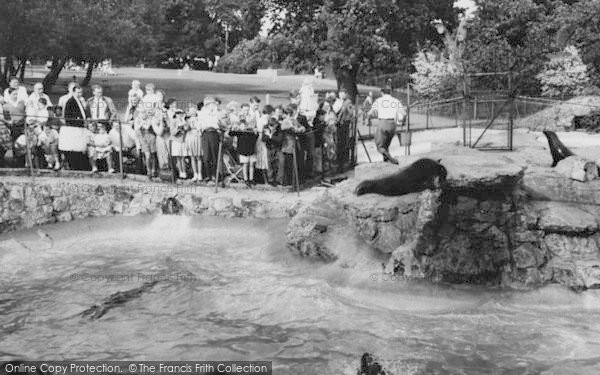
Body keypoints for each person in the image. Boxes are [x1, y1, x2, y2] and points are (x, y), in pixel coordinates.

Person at [368, 86, 406, 164]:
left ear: (382, 92)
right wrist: (403, 122)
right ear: (390, 92)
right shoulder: (396, 101)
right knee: (386, 146)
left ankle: (391, 159)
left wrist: (368, 118)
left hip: (383, 123)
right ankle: (386, 161)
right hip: (392, 124)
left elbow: (370, 113)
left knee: (379, 146)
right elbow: (404, 113)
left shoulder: (379, 100)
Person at [60, 84, 89, 170]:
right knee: (74, 148)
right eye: (78, 92)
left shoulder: (79, 100)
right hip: (74, 128)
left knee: (79, 148)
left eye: (81, 92)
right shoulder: (71, 101)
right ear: (73, 92)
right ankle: (74, 166)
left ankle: (79, 165)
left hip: (79, 127)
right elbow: (68, 117)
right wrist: (80, 121)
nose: (80, 94)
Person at [277, 105, 305, 186]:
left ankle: (295, 181)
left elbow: (302, 128)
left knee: (295, 164)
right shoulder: (285, 122)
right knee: (288, 164)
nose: (289, 116)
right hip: (288, 146)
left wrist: (300, 129)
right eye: (288, 114)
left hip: (295, 145)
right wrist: (296, 129)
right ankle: (287, 182)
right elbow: (289, 129)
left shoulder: (294, 120)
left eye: (290, 114)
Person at [198, 96, 221, 182]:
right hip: (205, 134)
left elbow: (217, 125)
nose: (213, 106)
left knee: (215, 155)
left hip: (214, 134)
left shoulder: (217, 113)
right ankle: (208, 175)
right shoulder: (202, 113)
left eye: (213, 104)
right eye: (211, 104)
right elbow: (201, 125)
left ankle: (215, 175)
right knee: (206, 156)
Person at [229, 121, 259, 187]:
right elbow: (230, 133)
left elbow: (256, 137)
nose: (243, 127)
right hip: (243, 151)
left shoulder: (250, 132)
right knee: (245, 165)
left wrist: (256, 132)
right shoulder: (239, 132)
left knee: (251, 165)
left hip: (251, 150)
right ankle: (246, 179)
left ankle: (251, 179)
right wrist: (231, 128)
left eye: (244, 125)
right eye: (242, 126)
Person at [134, 109, 158, 179]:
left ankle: (154, 170)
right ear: (139, 114)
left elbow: (147, 126)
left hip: (151, 137)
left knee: (153, 155)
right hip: (143, 139)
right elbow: (136, 129)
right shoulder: (137, 120)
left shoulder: (149, 119)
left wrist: (144, 122)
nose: (143, 115)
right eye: (142, 113)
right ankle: (148, 171)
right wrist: (141, 123)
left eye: (144, 113)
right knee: (147, 155)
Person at [335, 89, 354, 172]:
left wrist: (346, 108)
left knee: (343, 144)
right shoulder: (339, 102)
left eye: (342, 93)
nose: (341, 95)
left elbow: (351, 113)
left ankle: (342, 165)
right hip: (339, 125)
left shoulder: (347, 102)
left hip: (344, 125)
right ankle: (339, 163)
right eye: (340, 93)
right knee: (339, 144)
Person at [255, 105, 273, 184]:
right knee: (264, 158)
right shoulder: (266, 118)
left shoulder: (261, 117)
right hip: (263, 139)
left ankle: (264, 179)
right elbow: (266, 128)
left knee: (262, 159)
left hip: (259, 138)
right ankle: (266, 180)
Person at [263, 117, 283, 186]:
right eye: (270, 126)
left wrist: (270, 136)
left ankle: (279, 180)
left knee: (281, 162)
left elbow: (279, 139)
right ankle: (270, 180)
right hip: (269, 147)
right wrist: (269, 136)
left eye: (273, 126)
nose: (271, 127)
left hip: (278, 147)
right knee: (269, 163)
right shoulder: (265, 127)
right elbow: (263, 138)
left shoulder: (279, 127)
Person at [170, 108, 189, 179]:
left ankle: (184, 172)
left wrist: (183, 120)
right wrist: (178, 128)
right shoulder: (173, 121)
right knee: (178, 158)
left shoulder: (184, 121)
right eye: (177, 113)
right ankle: (181, 173)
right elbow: (172, 132)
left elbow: (186, 128)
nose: (179, 115)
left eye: (180, 113)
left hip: (183, 141)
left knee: (183, 158)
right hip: (176, 141)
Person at [185, 104, 203, 182]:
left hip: (198, 137)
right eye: (191, 111)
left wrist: (196, 122)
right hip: (190, 138)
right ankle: (195, 174)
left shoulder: (199, 118)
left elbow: (200, 128)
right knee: (192, 157)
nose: (192, 112)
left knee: (198, 157)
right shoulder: (187, 120)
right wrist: (187, 122)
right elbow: (186, 128)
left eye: (194, 110)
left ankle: (200, 173)